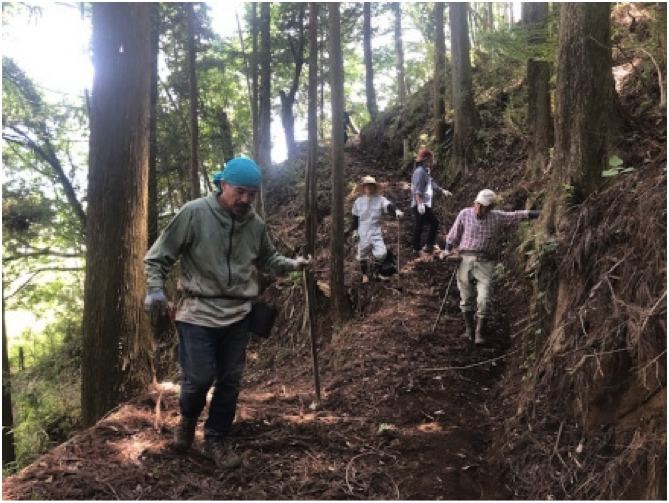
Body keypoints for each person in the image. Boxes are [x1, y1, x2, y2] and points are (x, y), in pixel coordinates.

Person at [143, 157, 311, 469]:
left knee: (230, 380)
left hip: (238, 314)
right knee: (199, 378)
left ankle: (216, 438)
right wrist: (155, 288)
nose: (246, 199)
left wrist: (292, 265)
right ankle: (188, 419)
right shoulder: (194, 213)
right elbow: (159, 256)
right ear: (223, 185)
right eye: (240, 191)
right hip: (197, 311)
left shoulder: (255, 225)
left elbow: (268, 259)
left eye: (252, 193)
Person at [440, 189, 540, 345]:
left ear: (490, 207)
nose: (479, 209)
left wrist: (537, 214)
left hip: (485, 262)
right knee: (466, 297)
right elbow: (453, 235)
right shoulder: (465, 214)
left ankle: (480, 332)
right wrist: (447, 251)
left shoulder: (496, 217)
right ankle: (469, 330)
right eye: (477, 205)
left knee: (484, 298)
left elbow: (516, 216)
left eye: (483, 206)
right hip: (465, 260)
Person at [350, 175, 403, 283]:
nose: (369, 188)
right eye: (367, 186)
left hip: (375, 231)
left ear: (374, 187)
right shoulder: (358, 202)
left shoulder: (380, 200)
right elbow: (355, 218)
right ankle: (364, 275)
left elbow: (389, 206)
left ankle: (376, 272)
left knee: (382, 253)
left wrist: (396, 211)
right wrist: (355, 231)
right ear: (363, 188)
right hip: (362, 231)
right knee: (362, 254)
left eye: (371, 186)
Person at [410, 148, 453, 257]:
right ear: (426, 158)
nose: (433, 159)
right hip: (420, 203)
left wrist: (442, 191)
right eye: (431, 157)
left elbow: (431, 184)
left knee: (433, 222)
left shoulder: (425, 171)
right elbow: (417, 189)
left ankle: (429, 245)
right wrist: (420, 203)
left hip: (424, 203)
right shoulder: (420, 172)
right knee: (420, 225)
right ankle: (416, 249)